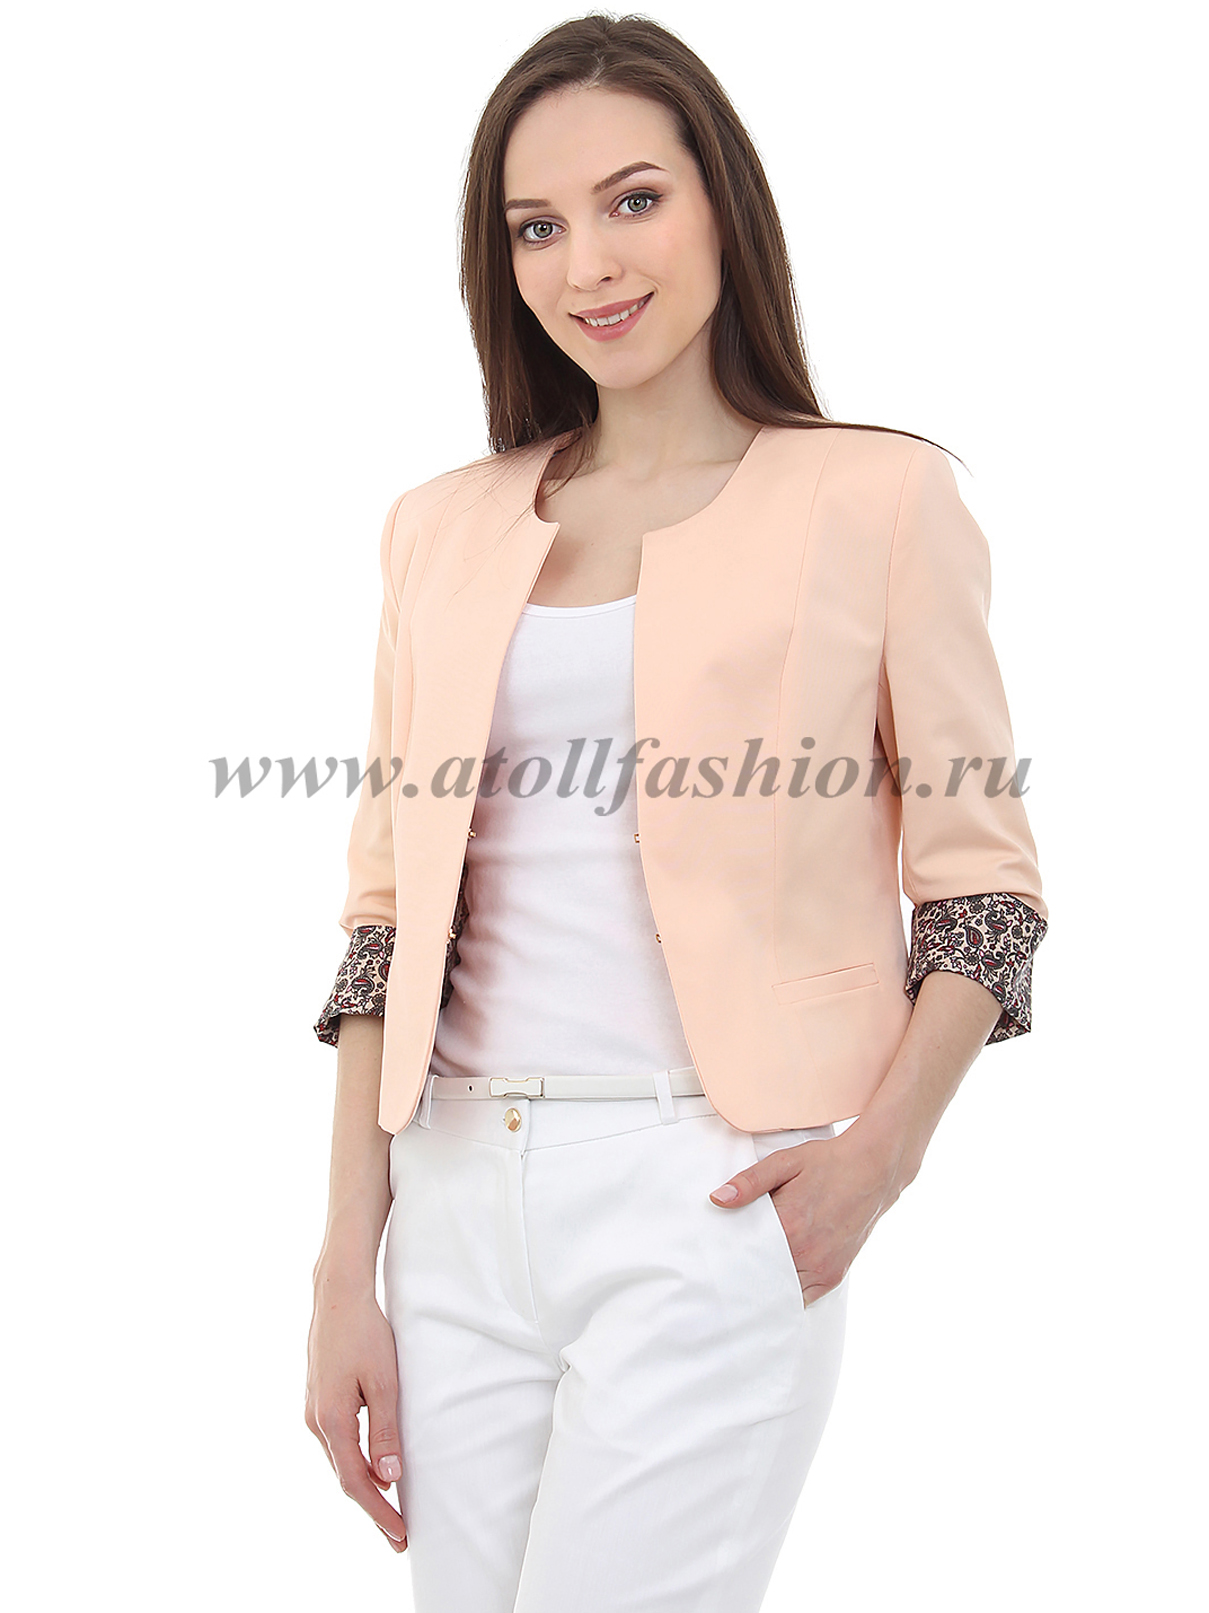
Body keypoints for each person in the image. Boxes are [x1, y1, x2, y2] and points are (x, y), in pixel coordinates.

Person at [304, 14, 1048, 1611]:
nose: (587, 264)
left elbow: (983, 893)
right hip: (450, 1197)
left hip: (706, 1189)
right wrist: (340, 1267)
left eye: (632, 200)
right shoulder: (436, 529)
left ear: (721, 201)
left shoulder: (878, 499)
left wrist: (875, 1161)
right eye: (536, 225)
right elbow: (381, 921)